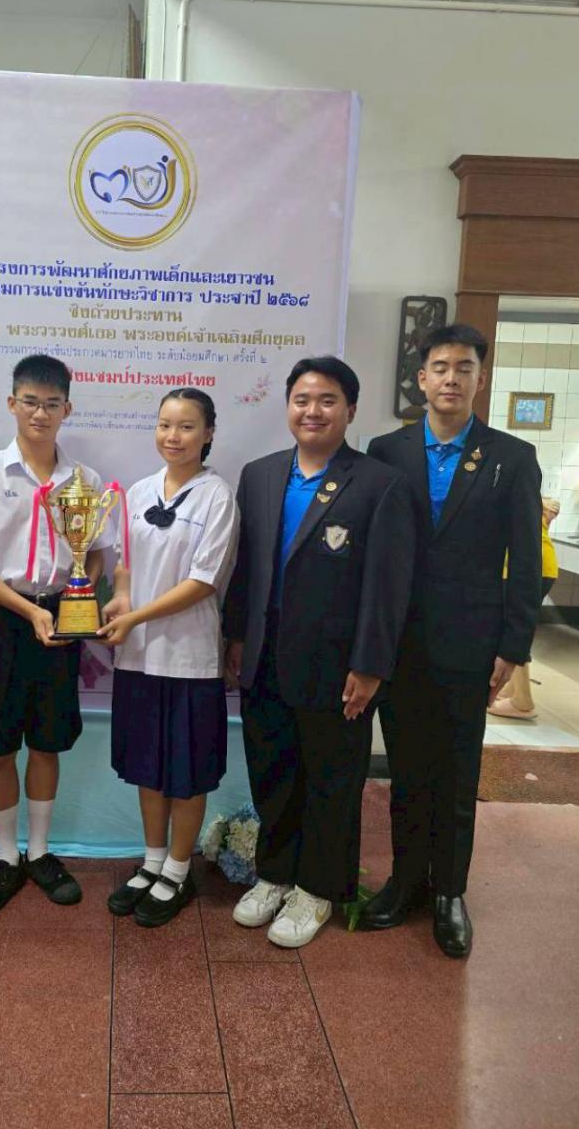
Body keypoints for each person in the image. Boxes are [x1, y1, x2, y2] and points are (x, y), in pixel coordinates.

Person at [361, 323, 542, 957]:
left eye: (464, 368)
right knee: (407, 770)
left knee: (458, 773)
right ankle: (406, 882)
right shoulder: (386, 451)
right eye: (440, 367)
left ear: (480, 379)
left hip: (471, 645)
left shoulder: (511, 456)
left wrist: (513, 646)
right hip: (401, 644)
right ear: (422, 378)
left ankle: (450, 893)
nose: (451, 378)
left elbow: (526, 561)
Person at [223, 357, 415, 948]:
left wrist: (371, 665)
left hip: (337, 666)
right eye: (302, 399)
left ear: (350, 410)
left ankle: (319, 889)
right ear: (288, 407)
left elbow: (388, 586)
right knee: (273, 772)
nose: (313, 411)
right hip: (265, 656)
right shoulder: (260, 474)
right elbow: (246, 568)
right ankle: (276, 875)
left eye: (327, 400)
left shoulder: (379, 483)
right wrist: (236, 638)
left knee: (332, 780)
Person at [0, 353, 112, 917]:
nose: (41, 413)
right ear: (11, 404)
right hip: (2, 619)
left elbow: (98, 556)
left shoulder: (85, 482)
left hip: (63, 619)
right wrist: (28, 612)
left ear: (68, 409)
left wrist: (79, 599)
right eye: (31, 402)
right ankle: (6, 857)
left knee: (46, 740)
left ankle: (40, 852)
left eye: (52, 404)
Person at [99, 389, 239, 927]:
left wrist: (136, 617)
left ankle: (179, 871)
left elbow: (204, 581)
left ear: (208, 433)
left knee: (187, 772)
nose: (172, 436)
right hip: (138, 658)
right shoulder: (137, 491)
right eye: (164, 424)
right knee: (148, 768)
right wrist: (120, 600)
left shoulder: (217, 497)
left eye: (185, 426)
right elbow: (124, 565)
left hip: (188, 658)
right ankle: (152, 861)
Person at [488, 497, 560, 719]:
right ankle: (512, 690)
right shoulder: (533, 499)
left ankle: (522, 702)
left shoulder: (519, 494)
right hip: (543, 565)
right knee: (517, 627)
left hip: (524, 569)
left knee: (513, 630)